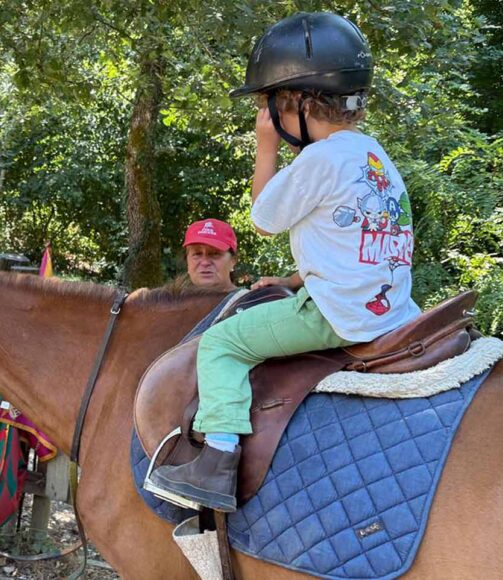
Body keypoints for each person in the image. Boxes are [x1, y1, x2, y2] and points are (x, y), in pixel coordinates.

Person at [151, 12, 420, 512]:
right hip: (393, 306)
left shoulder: (320, 159)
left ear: (295, 101)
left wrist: (265, 144)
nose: (268, 114)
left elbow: (262, 218)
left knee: (222, 344)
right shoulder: (373, 156)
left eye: (270, 104)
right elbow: (358, 239)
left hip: (338, 313)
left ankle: (217, 461)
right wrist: (297, 278)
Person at [177, 218, 239, 292]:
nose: (205, 262)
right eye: (197, 254)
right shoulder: (173, 301)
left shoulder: (249, 301)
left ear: (233, 261)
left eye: (215, 254)